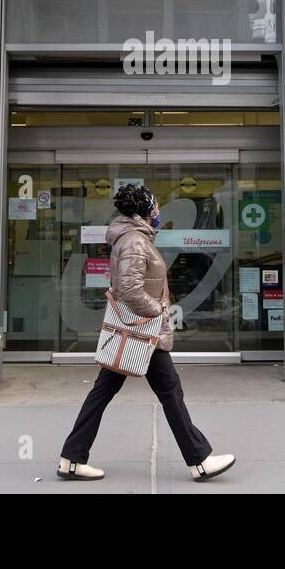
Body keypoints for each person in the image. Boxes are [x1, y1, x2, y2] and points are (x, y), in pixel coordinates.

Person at [57, 183, 236, 482]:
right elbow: (129, 289)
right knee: (170, 392)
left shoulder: (133, 238)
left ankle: (71, 459)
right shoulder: (135, 242)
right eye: (155, 207)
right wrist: (159, 310)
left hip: (135, 331)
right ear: (144, 211)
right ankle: (200, 460)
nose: (158, 212)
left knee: (110, 391)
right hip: (141, 330)